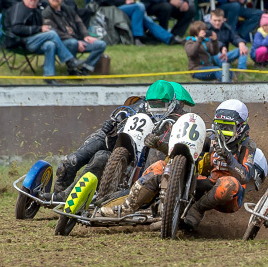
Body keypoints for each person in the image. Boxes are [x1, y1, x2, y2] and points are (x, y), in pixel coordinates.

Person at [45, 80, 192, 205]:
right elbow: (117, 143)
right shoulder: (137, 109)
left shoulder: (183, 119)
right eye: (153, 104)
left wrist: (160, 144)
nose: (156, 108)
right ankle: (68, 195)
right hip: (129, 158)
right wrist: (112, 132)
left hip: (156, 170)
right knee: (99, 157)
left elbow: (184, 153)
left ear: (172, 103)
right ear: (147, 102)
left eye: (161, 104)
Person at [184, 100, 257, 230]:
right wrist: (161, 146)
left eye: (228, 128)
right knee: (168, 168)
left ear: (240, 127)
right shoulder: (210, 138)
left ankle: (197, 209)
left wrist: (228, 157)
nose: (222, 132)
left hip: (230, 197)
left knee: (229, 184)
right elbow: (187, 154)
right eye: (219, 126)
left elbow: (244, 176)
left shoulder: (247, 144)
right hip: (208, 183)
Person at [3, 0, 81, 84]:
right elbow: (15, 29)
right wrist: (39, 29)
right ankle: (69, 61)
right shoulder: (19, 9)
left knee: (50, 45)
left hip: (34, 41)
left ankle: (49, 77)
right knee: (52, 34)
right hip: (19, 42)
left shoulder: (36, 10)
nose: (33, 1)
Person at [42, 0, 106, 74]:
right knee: (72, 43)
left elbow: (79, 23)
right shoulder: (46, 13)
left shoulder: (68, 9)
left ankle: (86, 68)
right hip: (62, 43)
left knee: (101, 44)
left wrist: (86, 36)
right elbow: (55, 32)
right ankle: (72, 69)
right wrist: (76, 41)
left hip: (77, 39)